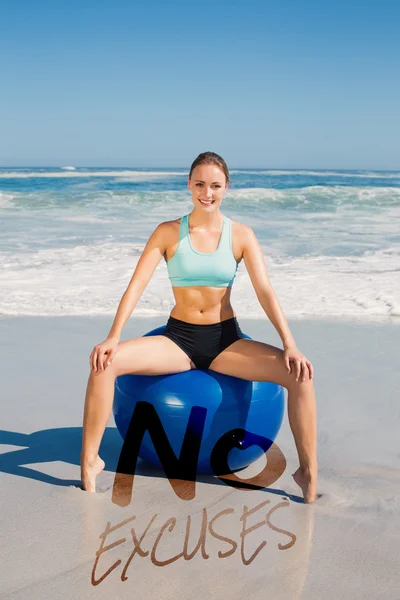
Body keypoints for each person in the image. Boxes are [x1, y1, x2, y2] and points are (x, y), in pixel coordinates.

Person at [80, 151, 318, 502]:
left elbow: (265, 292)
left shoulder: (241, 235)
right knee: (104, 363)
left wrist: (290, 343)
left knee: (300, 375)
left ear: (227, 188)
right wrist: (112, 337)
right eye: (200, 184)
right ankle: (89, 462)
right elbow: (136, 286)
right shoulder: (167, 233)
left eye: (216, 185)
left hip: (225, 340)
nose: (208, 192)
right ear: (189, 185)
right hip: (178, 338)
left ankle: (308, 472)